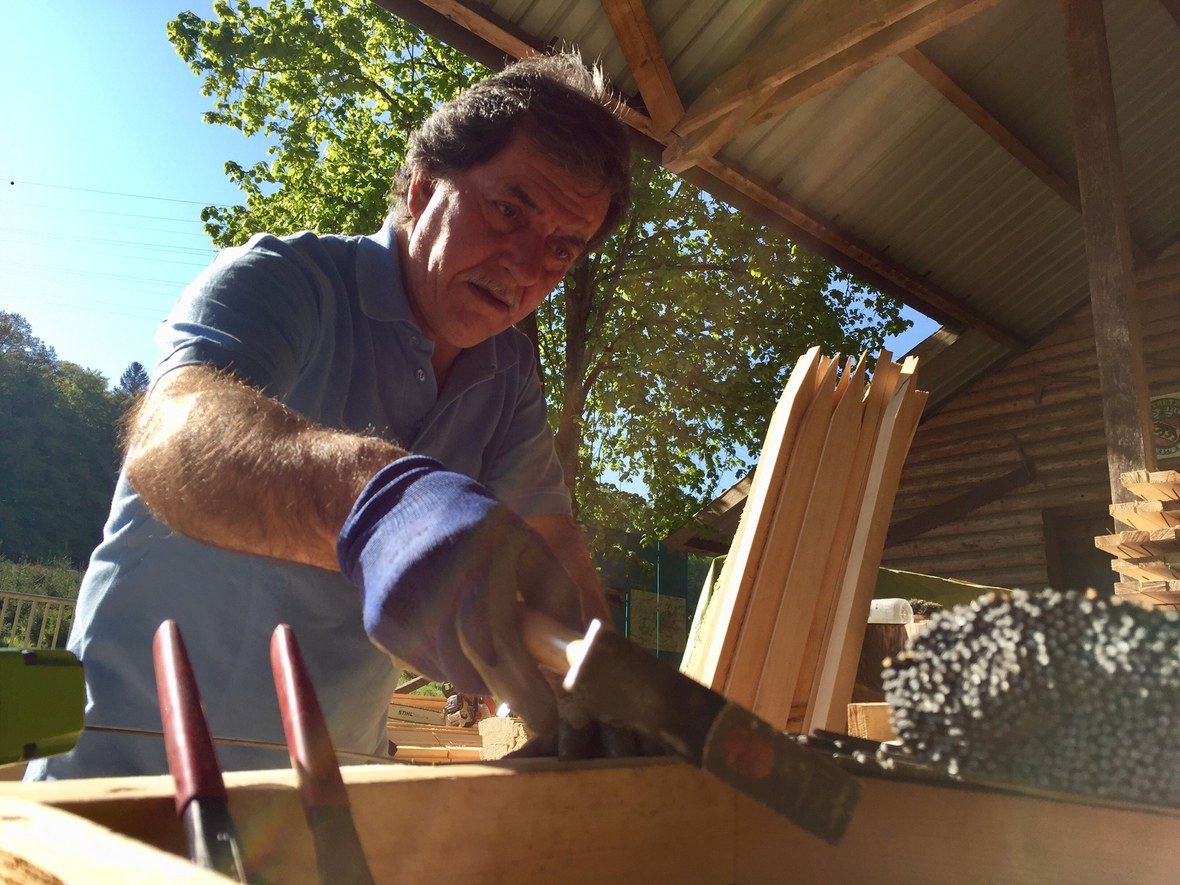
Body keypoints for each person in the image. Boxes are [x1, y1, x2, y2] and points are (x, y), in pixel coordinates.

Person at [27, 51, 632, 780]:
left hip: (334, 805)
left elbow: (554, 553)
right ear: (423, 184)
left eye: (562, 247)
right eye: (509, 210)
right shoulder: (282, 281)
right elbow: (169, 441)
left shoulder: (508, 379)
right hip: (121, 780)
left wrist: (602, 700)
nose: (526, 265)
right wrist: (373, 499)